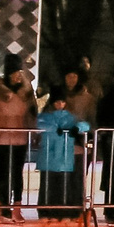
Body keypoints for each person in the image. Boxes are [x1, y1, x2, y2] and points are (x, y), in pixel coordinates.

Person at [0, 64, 37, 221]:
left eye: (19, 72)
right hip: (2, 136)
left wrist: (32, 130)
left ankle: (16, 209)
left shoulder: (26, 92)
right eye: (14, 72)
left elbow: (32, 112)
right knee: (0, 174)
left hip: (20, 137)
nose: (17, 76)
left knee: (17, 174)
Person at [35, 91, 86, 219]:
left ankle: (63, 211)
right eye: (57, 102)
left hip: (62, 155)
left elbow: (83, 124)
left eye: (62, 102)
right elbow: (41, 125)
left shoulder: (70, 117)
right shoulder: (46, 117)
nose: (60, 104)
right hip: (51, 155)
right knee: (50, 183)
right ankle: (48, 211)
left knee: (62, 184)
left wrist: (78, 128)